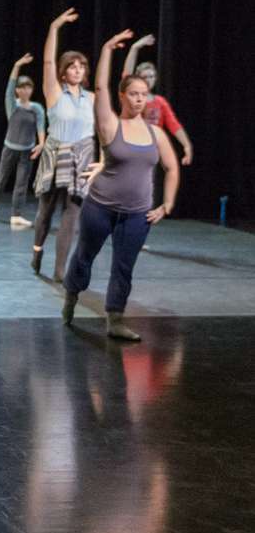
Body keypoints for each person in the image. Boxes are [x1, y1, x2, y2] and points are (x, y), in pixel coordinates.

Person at [62, 30, 179, 341]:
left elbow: (171, 167)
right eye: (134, 93)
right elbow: (100, 87)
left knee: (123, 267)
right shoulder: (111, 125)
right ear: (122, 96)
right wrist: (107, 49)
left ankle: (115, 319)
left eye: (144, 94)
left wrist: (167, 204)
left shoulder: (156, 133)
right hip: (100, 208)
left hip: (137, 214)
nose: (140, 99)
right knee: (84, 256)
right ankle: (71, 294)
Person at [32, 8, 95, 281]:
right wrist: (54, 27)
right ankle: (37, 250)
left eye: (81, 66)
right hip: (56, 153)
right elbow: (47, 62)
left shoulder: (92, 98)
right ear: (63, 71)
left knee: (72, 213)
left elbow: (104, 129)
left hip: (82, 156)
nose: (77, 69)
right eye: (72, 65)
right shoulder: (54, 92)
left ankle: (60, 270)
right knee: (46, 212)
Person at [0, 54, 46, 226]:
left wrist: (41, 144)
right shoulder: (12, 105)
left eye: (28, 87)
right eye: (22, 88)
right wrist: (17, 65)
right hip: (10, 149)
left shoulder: (36, 108)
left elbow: (41, 126)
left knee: (21, 183)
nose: (26, 90)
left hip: (27, 151)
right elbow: (9, 87)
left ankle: (16, 215)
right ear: (18, 90)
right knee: (1, 179)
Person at [121, 34, 194, 166]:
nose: (149, 80)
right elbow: (126, 76)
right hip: (132, 146)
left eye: (152, 76)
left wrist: (186, 145)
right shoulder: (133, 96)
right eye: (145, 77)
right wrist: (135, 48)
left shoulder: (160, 102)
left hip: (150, 151)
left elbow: (173, 125)